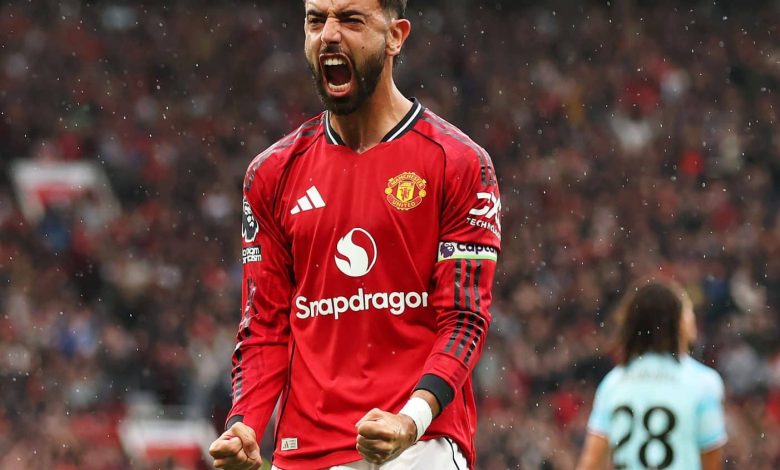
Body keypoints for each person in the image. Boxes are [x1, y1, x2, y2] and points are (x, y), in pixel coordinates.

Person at [208, 0, 501, 468]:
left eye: (350, 19)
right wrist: (246, 422)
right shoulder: (271, 174)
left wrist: (412, 418)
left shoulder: (458, 162)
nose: (328, 34)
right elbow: (264, 325)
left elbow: (464, 318)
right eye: (315, 19)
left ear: (396, 36)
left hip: (418, 447)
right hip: (304, 453)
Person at [576, 279, 727, 470]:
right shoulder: (703, 383)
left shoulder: (614, 382)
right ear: (678, 322)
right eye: (687, 310)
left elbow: (591, 463)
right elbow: (710, 464)